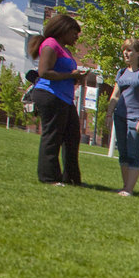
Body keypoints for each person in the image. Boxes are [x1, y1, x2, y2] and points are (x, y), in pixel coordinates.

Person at [27, 13, 87, 186]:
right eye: (74, 33)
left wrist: (76, 78)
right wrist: (70, 75)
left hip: (65, 99)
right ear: (63, 30)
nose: (76, 37)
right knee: (52, 136)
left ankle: (72, 179)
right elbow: (44, 72)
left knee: (72, 137)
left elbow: (64, 74)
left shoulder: (65, 49)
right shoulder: (50, 44)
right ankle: (49, 177)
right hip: (50, 95)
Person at [107, 38, 139, 197]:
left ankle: (129, 189)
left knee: (133, 153)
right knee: (122, 153)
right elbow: (115, 95)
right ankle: (125, 186)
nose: (126, 53)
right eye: (124, 50)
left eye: (129, 50)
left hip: (136, 119)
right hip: (120, 117)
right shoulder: (121, 72)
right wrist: (109, 113)